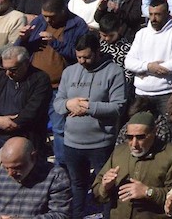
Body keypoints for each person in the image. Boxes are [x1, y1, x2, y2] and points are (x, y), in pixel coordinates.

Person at [54, 31, 127, 218]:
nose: (81, 61)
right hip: (72, 142)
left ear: (97, 51)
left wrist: (89, 107)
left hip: (100, 143)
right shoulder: (69, 72)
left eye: (86, 57)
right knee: (77, 185)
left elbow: (118, 106)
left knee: (105, 187)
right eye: (78, 57)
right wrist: (68, 104)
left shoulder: (114, 72)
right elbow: (58, 102)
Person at [92, 107, 172, 219]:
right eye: (129, 137)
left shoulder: (170, 154)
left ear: (154, 133)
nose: (134, 144)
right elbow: (96, 192)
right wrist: (104, 187)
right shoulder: (120, 152)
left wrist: (148, 192)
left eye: (140, 137)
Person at [126, 0, 172, 123]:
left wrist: (143, 70)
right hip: (141, 94)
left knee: (168, 130)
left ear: (167, 13)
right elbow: (129, 62)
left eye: (158, 14)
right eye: (151, 14)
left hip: (166, 94)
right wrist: (148, 66)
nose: (153, 18)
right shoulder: (141, 33)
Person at [0, 137, 69, 219]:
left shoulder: (55, 176)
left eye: (17, 167)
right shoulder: (0, 174)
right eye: (6, 168)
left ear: (33, 157)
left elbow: (62, 215)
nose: (10, 173)